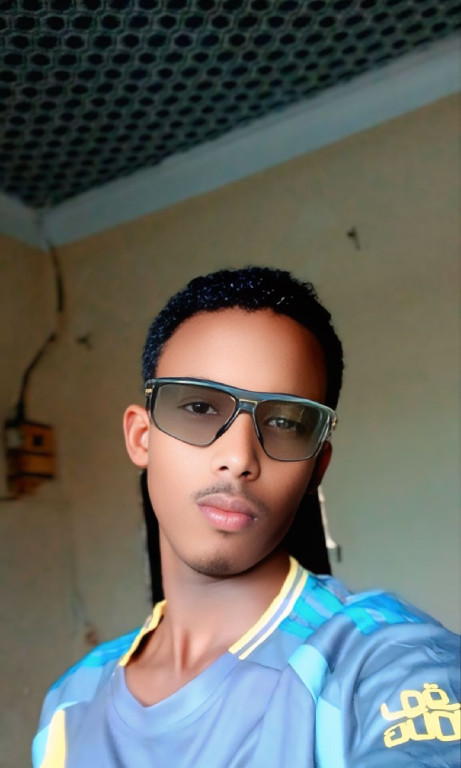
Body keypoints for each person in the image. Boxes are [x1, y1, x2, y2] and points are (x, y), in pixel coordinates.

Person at [33, 267, 460, 767]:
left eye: (283, 422)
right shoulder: (70, 705)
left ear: (317, 466)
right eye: (199, 407)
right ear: (141, 438)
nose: (239, 458)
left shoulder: (388, 665)